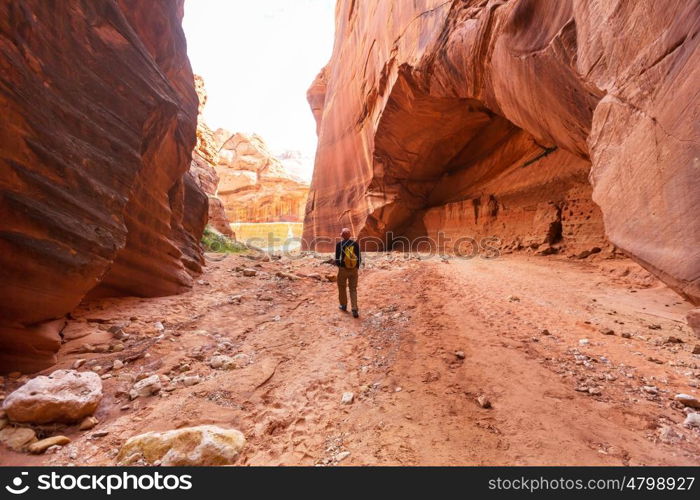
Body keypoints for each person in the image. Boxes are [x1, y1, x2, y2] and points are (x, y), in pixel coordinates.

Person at [335, 228, 361, 318]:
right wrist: (356, 267)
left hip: (343, 269)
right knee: (353, 289)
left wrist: (340, 266)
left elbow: (337, 258)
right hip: (353, 269)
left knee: (342, 287)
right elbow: (359, 257)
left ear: (342, 235)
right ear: (350, 235)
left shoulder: (339, 244)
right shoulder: (355, 244)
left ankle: (343, 305)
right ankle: (354, 308)